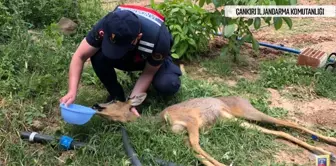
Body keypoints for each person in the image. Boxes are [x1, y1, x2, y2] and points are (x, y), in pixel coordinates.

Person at [59, 5, 182, 116]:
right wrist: (72, 91)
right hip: (129, 55)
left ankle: (157, 82)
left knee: (168, 84)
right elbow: (79, 56)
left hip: (148, 57)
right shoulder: (107, 24)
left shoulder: (159, 39)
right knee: (98, 56)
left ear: (137, 37)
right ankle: (116, 95)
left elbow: (148, 73)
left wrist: (131, 104)